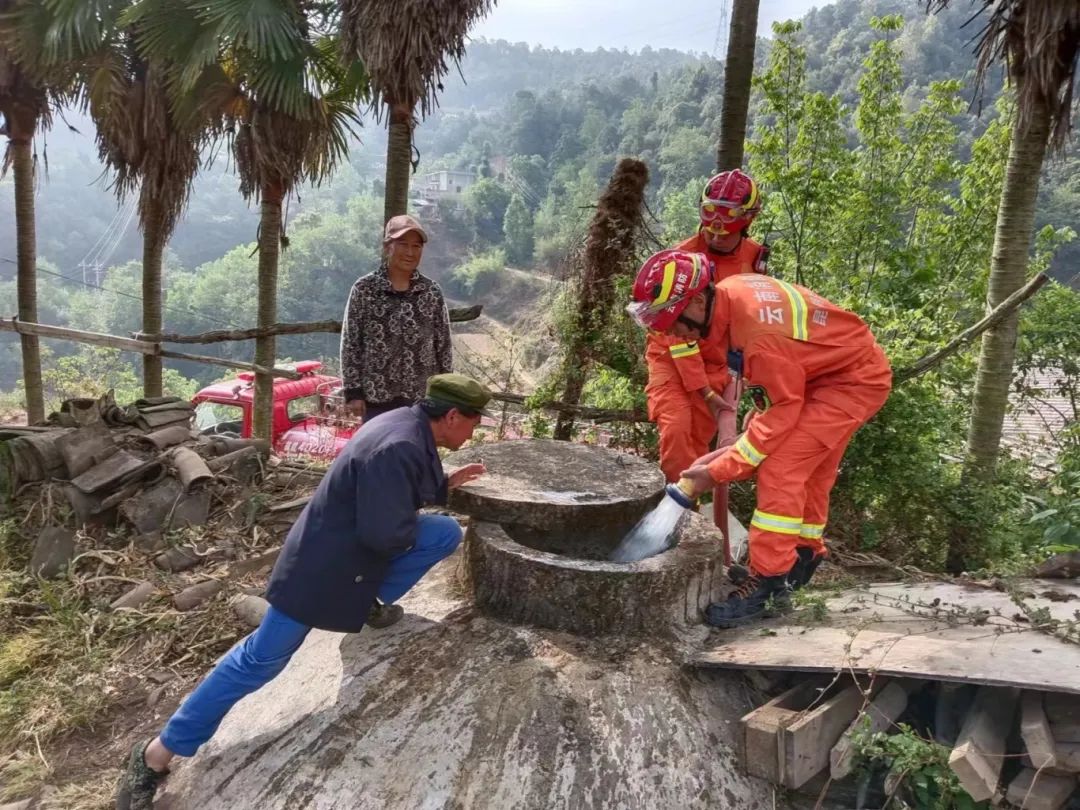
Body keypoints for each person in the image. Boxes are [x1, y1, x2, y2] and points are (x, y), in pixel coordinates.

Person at [115, 373, 493, 809]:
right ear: (452, 415)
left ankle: (368, 602)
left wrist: (445, 485)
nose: (472, 434)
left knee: (442, 533)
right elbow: (384, 534)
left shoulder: (403, 423)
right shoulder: (400, 445)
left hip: (345, 548)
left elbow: (393, 494)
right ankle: (155, 753)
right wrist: (407, 520)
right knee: (261, 659)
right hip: (322, 566)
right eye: (473, 424)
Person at [627, 250, 891, 627]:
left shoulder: (759, 338)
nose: (673, 333)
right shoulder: (732, 294)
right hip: (825, 374)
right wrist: (760, 414)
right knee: (812, 467)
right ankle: (802, 555)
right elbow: (782, 378)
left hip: (851, 383)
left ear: (698, 301)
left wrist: (715, 472)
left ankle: (768, 586)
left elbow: (779, 405)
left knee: (781, 467)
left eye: (673, 321)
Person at [646, 169, 768, 482]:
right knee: (676, 430)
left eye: (724, 235)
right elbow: (675, 331)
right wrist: (704, 390)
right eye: (710, 231)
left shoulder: (754, 259)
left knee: (699, 442)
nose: (714, 238)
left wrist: (742, 378)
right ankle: (676, 503)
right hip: (671, 356)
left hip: (716, 362)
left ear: (747, 222)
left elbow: (751, 320)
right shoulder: (683, 257)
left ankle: (689, 504)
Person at [340, 214, 453, 421]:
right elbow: (351, 342)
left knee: (418, 443)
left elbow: (443, 345)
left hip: (421, 400)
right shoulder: (365, 289)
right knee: (379, 443)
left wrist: (446, 392)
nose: (410, 252)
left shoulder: (431, 292)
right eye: (403, 244)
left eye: (416, 246)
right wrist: (353, 392)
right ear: (387, 247)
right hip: (376, 398)